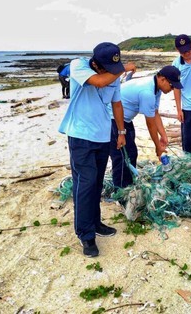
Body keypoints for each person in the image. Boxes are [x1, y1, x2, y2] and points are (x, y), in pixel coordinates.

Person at [58, 42, 136, 257]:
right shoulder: (78, 66)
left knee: (97, 182)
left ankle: (95, 222)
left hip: (103, 136)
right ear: (96, 63)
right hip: (81, 136)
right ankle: (85, 234)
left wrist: (121, 133)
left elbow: (117, 104)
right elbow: (99, 82)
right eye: (107, 68)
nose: (109, 72)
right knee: (86, 183)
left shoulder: (113, 75)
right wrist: (123, 69)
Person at [108, 65, 183, 189]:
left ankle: (128, 184)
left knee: (131, 153)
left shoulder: (156, 88)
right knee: (121, 156)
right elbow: (150, 123)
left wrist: (163, 136)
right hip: (112, 119)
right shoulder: (147, 92)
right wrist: (157, 147)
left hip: (125, 119)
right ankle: (120, 190)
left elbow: (155, 113)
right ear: (162, 79)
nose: (172, 89)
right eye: (172, 85)